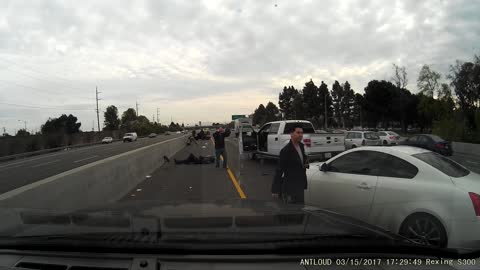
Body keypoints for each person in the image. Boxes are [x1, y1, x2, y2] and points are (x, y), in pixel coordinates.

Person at [271, 123, 309, 204]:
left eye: (302, 133)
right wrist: (275, 189)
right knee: (290, 211)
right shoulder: (286, 150)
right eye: (298, 132)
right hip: (290, 187)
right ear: (291, 134)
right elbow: (279, 170)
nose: (301, 135)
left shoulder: (301, 146)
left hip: (300, 185)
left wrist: (306, 163)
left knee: (300, 208)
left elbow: (303, 160)